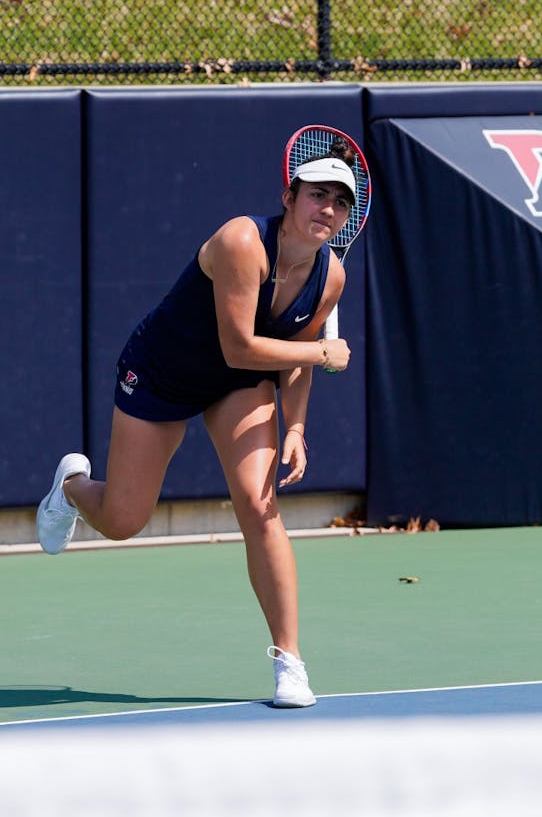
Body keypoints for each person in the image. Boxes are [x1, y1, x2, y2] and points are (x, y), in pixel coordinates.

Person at [35, 140, 360, 709]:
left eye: (339, 201)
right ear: (289, 198)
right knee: (122, 521)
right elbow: (241, 346)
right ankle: (70, 489)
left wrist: (295, 429)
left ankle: (289, 662)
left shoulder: (330, 276)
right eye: (317, 195)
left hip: (238, 384)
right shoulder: (242, 242)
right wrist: (322, 352)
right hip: (164, 373)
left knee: (260, 507)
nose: (327, 209)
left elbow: (293, 359)